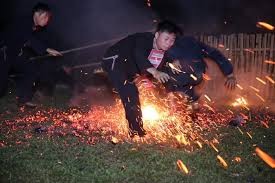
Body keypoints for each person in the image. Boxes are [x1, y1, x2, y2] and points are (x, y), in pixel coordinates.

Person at [101, 20, 182, 137]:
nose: (169, 43)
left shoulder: (162, 50)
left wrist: (170, 94)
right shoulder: (143, 39)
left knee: (136, 86)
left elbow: (165, 68)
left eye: (172, 40)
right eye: (166, 39)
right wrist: (155, 72)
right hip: (114, 59)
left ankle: (134, 125)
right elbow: (139, 55)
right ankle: (136, 132)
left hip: (129, 66)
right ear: (157, 35)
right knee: (130, 91)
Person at [0, 2, 62, 108]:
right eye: (46, 17)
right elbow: (28, 38)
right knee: (1, 84)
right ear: (37, 14)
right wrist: (47, 49)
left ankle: (24, 99)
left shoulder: (31, 25)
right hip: (3, 53)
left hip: (15, 53)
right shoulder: (24, 21)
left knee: (31, 69)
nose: (47, 20)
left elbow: (25, 40)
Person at [165, 36, 237, 107]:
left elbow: (214, 54)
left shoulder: (195, 47)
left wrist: (229, 73)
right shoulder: (169, 48)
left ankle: (189, 104)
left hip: (195, 77)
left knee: (192, 98)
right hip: (177, 80)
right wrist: (172, 60)